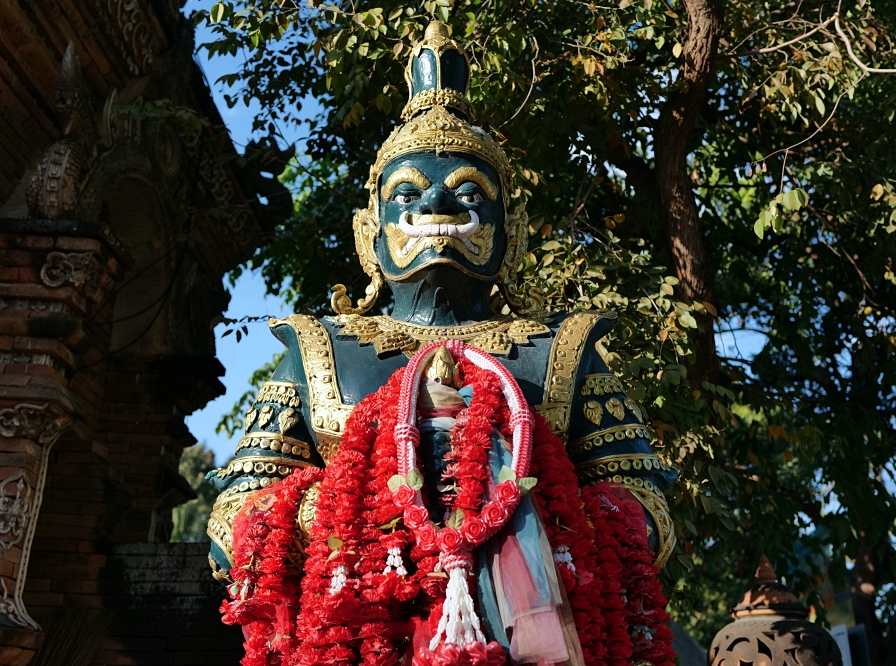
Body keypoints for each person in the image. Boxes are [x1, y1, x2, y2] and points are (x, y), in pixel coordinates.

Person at [207, 21, 678, 666]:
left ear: (509, 231)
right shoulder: (322, 346)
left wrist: (525, 509)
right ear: (367, 233)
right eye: (406, 192)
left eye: (468, 192)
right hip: (365, 631)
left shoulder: (559, 349)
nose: (435, 201)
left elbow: (647, 508)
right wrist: (361, 502)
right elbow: (236, 513)